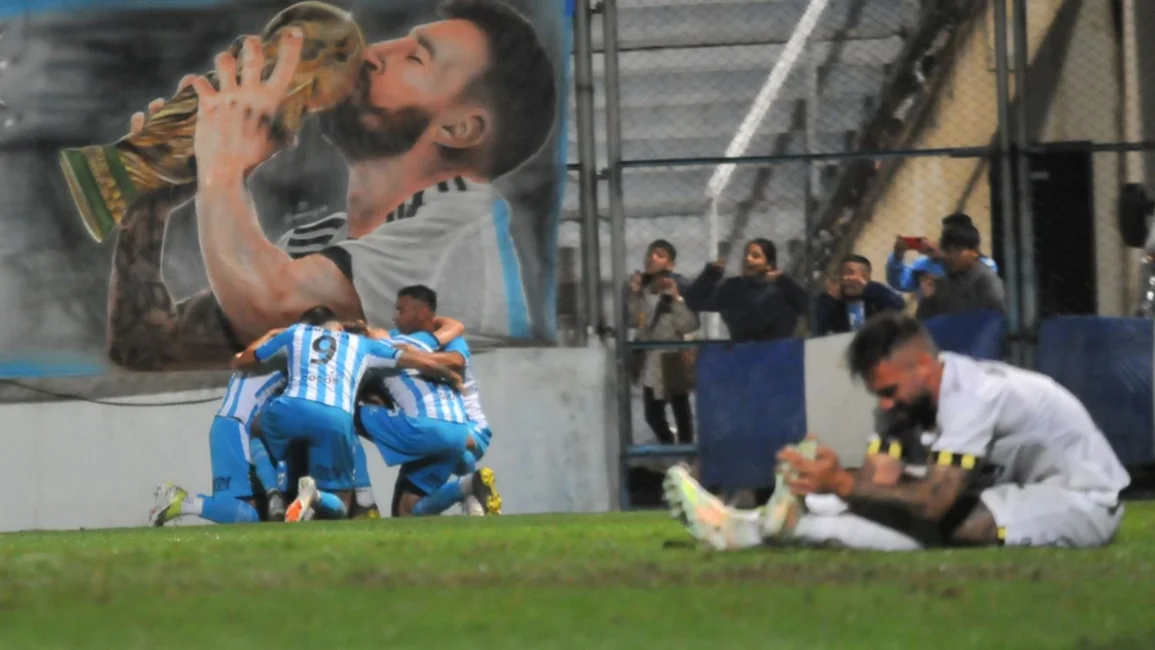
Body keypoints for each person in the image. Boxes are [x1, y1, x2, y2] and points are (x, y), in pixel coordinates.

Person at [106, 0, 559, 371]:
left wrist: (222, 168)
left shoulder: (463, 226)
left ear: (460, 129)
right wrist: (152, 205)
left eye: (415, 57)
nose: (374, 51)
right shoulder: (323, 245)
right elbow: (148, 347)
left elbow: (269, 306)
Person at [664, 312, 1130, 551]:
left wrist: (841, 483)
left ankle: (762, 530)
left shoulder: (973, 394)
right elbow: (879, 484)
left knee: (956, 526)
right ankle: (750, 522)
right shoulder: (904, 402)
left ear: (925, 367)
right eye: (876, 393)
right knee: (858, 500)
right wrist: (820, 482)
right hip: (1016, 487)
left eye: (888, 391)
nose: (883, 405)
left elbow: (934, 503)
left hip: (1081, 499)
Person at [233, 305, 456, 522]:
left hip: (291, 408)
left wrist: (270, 334)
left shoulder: (295, 332)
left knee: (255, 430)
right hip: (335, 418)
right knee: (341, 504)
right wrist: (448, 373)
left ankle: (275, 494)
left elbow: (242, 360)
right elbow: (415, 360)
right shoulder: (361, 344)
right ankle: (317, 496)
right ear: (338, 327)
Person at [358, 285, 500, 517]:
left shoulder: (450, 341)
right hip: (439, 431)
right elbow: (378, 337)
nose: (395, 317)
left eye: (401, 310)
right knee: (405, 510)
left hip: (470, 430)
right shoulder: (401, 339)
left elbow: (456, 361)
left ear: (423, 313)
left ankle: (361, 496)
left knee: (352, 415)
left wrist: (413, 357)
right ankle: (467, 488)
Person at [147, 367, 286, 526]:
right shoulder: (293, 358)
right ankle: (185, 504)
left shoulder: (270, 351)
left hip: (224, 425)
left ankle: (182, 502)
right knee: (256, 513)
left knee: (242, 508)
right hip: (241, 428)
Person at [626, 239, 698, 445]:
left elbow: (690, 325)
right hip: (650, 357)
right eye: (650, 253)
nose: (652, 258)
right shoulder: (641, 288)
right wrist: (634, 294)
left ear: (671, 264)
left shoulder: (680, 286)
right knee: (653, 414)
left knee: (680, 410)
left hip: (673, 354)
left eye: (659, 255)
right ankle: (668, 447)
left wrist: (675, 298)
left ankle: (685, 454)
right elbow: (633, 321)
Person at [684, 238, 808, 342]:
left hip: (777, 353)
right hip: (742, 355)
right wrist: (711, 273)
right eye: (746, 255)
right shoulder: (733, 287)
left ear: (769, 264)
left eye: (756, 256)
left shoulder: (780, 288)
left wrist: (784, 281)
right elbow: (694, 301)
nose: (748, 259)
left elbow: (807, 306)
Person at [887, 213, 998, 297]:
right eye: (945, 235)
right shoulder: (925, 264)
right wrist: (898, 256)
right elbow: (899, 282)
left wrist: (943, 257)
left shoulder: (986, 265)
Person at [915, 220, 1006, 319]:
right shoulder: (943, 283)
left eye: (958, 250)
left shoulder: (987, 280)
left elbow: (998, 319)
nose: (951, 256)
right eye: (948, 251)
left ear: (974, 251)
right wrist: (929, 299)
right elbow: (924, 324)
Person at [814, 254, 905, 335]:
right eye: (842, 274)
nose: (845, 278)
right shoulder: (834, 302)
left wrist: (867, 287)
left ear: (866, 276)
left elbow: (898, 305)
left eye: (850, 273)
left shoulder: (877, 294)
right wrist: (830, 297)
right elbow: (819, 329)